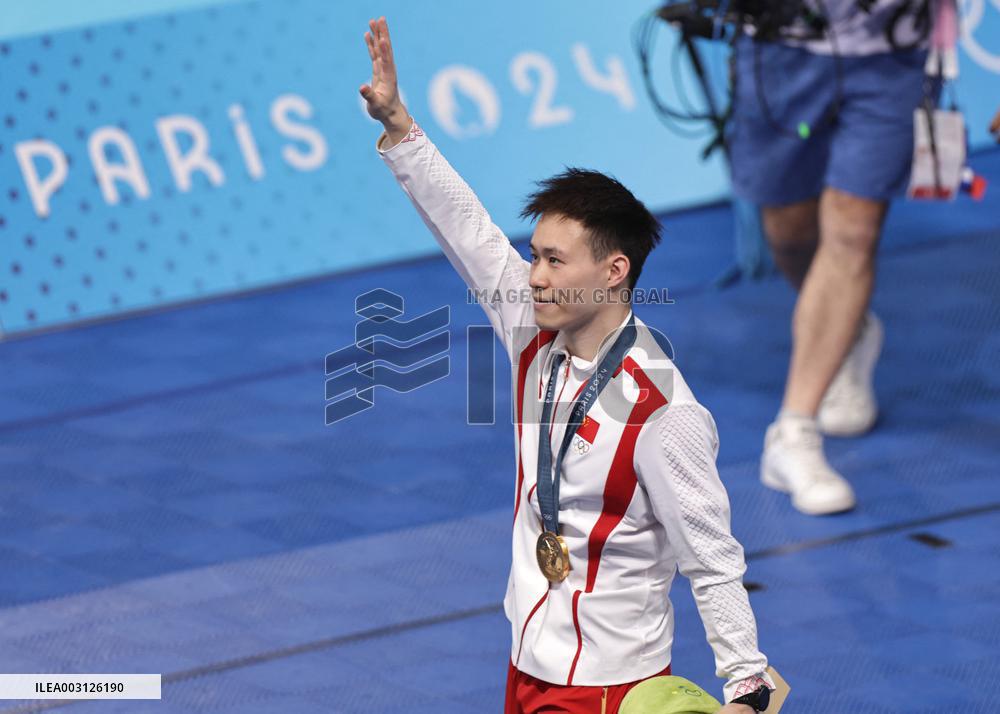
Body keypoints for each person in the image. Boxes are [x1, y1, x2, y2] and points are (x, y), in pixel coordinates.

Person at [360, 15, 774, 714]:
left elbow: (711, 556)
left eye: (555, 260)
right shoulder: (532, 330)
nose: (536, 275)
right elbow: (467, 230)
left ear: (614, 271)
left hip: (612, 687)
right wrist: (400, 125)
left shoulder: (662, 412)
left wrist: (747, 685)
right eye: (534, 256)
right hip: (525, 665)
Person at [728, 0, 941, 515]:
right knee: (789, 231)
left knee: (853, 229)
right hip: (782, 47)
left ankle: (793, 433)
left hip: (894, 51)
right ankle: (849, 331)